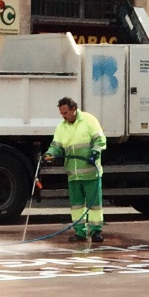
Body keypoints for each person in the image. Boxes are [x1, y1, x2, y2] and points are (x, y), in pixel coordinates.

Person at [45, 94, 106, 244]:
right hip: (73, 174)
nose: (63, 116)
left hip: (91, 172)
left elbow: (100, 139)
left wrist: (94, 153)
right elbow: (56, 146)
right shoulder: (62, 126)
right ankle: (80, 233)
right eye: (61, 114)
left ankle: (96, 232)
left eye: (65, 113)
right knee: (77, 206)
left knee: (94, 205)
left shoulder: (89, 120)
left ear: (74, 109)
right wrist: (50, 154)